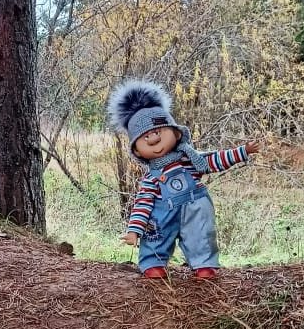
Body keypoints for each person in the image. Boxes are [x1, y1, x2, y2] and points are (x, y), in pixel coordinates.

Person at [108, 79, 259, 280]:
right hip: (163, 214)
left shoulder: (191, 159)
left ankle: (204, 264)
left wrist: (242, 151)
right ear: (136, 150)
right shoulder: (151, 178)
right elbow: (142, 204)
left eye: (157, 132)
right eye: (145, 138)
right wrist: (134, 230)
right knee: (155, 236)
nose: (154, 140)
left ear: (176, 133)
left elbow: (215, 160)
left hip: (195, 208)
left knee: (201, 235)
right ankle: (153, 263)